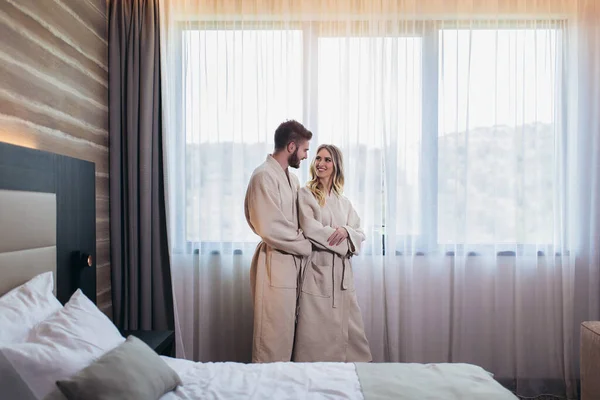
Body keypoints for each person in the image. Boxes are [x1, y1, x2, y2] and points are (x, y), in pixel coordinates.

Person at [293, 144, 372, 362]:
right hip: (318, 272)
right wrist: (346, 241)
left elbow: (360, 233)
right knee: (316, 335)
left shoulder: (344, 202)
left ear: (336, 165)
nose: (321, 163)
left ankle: (353, 383)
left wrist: (346, 231)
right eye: (318, 158)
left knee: (352, 336)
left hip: (343, 278)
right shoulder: (306, 194)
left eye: (327, 159)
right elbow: (311, 229)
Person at [244, 120, 313, 363]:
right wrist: (306, 245)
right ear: (292, 146)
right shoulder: (263, 176)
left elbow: (302, 218)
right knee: (271, 339)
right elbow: (269, 226)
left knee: (291, 338)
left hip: (292, 265)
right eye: (304, 150)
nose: (306, 156)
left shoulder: (292, 181)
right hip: (274, 263)